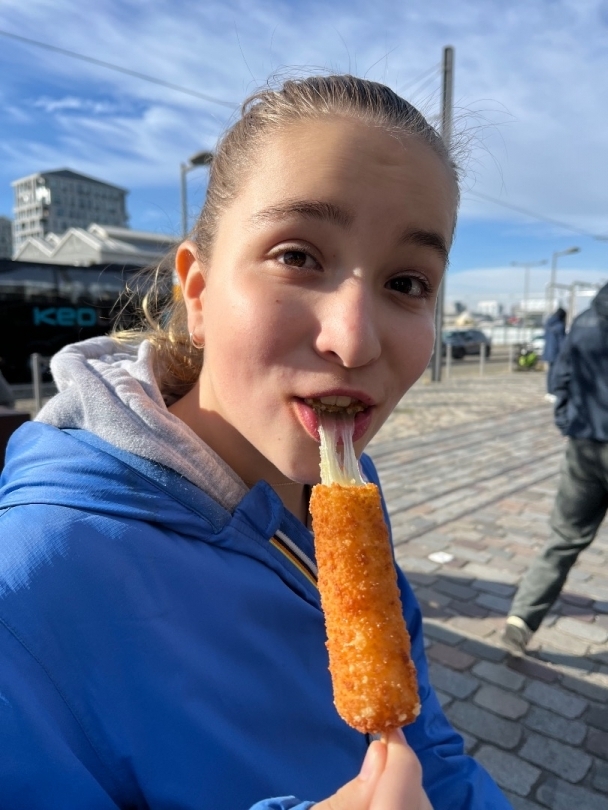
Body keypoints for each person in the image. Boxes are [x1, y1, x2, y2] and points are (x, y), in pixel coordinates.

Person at [0, 75, 510, 809]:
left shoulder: (347, 484)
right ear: (198, 293)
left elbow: (426, 743)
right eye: (298, 256)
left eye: (407, 282)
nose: (354, 340)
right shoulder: (32, 584)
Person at [503, 282, 608, 654]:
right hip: (587, 438)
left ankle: (521, 618)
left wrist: (569, 422)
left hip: (585, 445)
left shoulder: (585, 320)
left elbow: (561, 377)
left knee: (563, 538)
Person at [542, 306, 567, 400]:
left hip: (547, 351)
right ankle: (554, 391)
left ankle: (549, 391)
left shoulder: (548, 324)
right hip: (556, 353)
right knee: (555, 373)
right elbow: (562, 341)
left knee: (550, 372)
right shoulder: (560, 325)